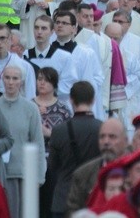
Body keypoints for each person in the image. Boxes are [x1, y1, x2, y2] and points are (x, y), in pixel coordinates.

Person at [0, 61, 46, 217]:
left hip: (23, 174)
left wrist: (39, 176)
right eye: (7, 78)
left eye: (15, 78)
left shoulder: (31, 108)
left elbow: (38, 143)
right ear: (2, 80)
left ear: (21, 82)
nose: (11, 82)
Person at [48, 81, 102, 218]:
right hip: (92, 199)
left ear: (71, 99)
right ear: (93, 100)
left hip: (63, 199)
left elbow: (52, 167)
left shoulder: (59, 131)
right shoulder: (102, 129)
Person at [33, 66, 73, 218]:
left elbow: (68, 138)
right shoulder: (30, 106)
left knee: (50, 201)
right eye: (39, 79)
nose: (42, 83)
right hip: (33, 159)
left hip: (54, 162)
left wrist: (49, 133)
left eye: (46, 80)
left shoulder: (63, 109)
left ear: (54, 84)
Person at [66, 118, 130, 213]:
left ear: (126, 141)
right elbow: (73, 210)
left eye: (112, 137)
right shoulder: (83, 174)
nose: (106, 142)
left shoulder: (137, 169)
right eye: (102, 137)